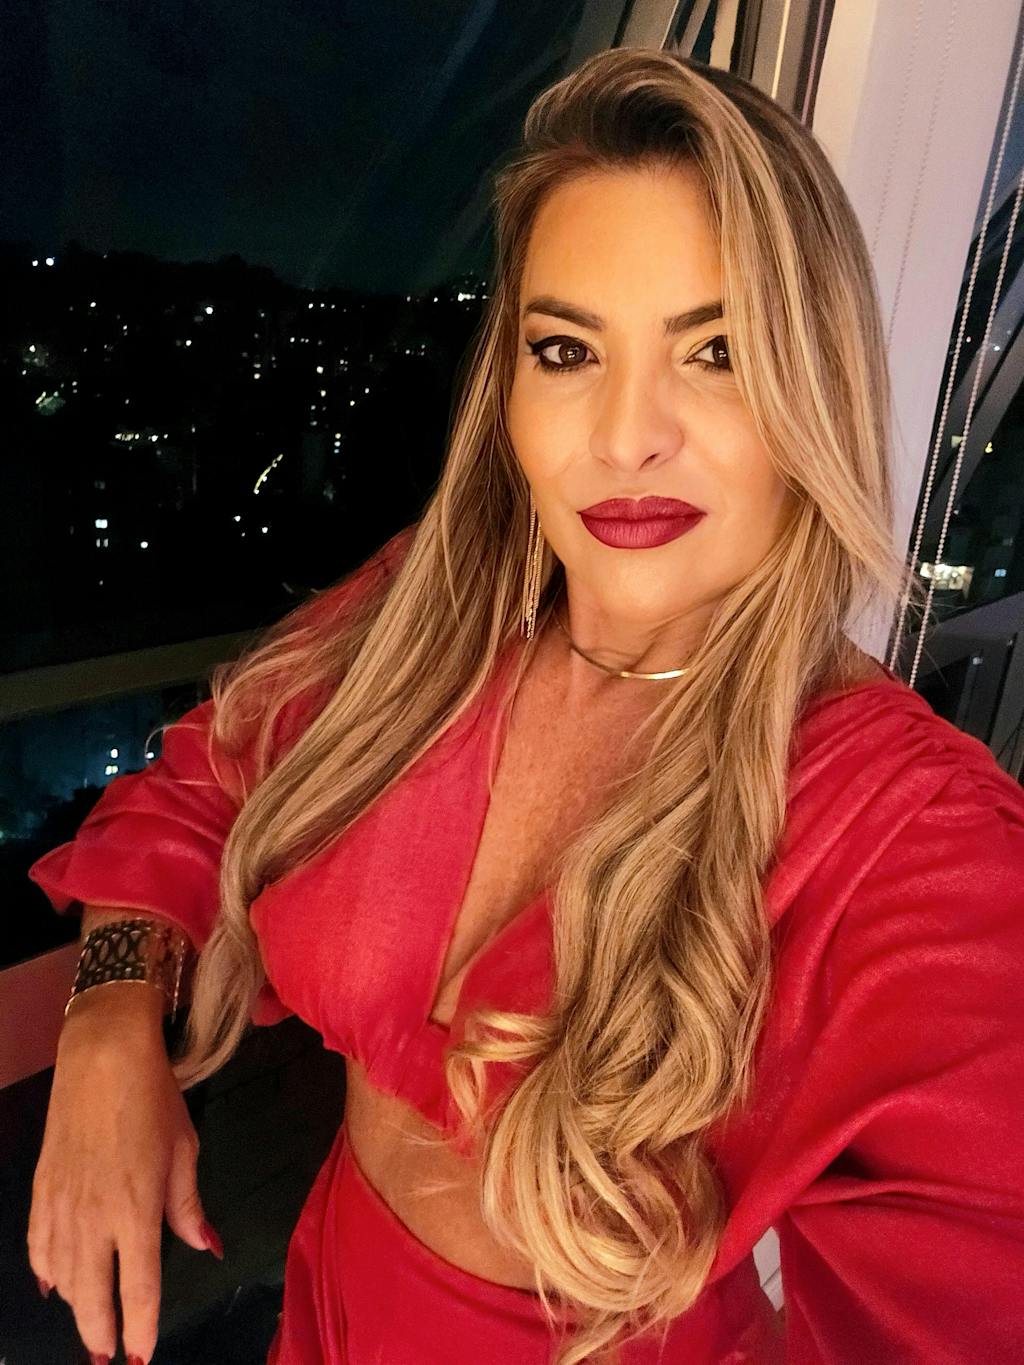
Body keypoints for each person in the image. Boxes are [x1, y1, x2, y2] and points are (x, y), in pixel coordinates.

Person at [25, 46, 1024, 1365]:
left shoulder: (911, 839)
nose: (625, 433)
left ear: (815, 388)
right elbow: (202, 779)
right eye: (567, 350)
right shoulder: (431, 623)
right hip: (324, 1308)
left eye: (716, 351)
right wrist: (108, 1016)